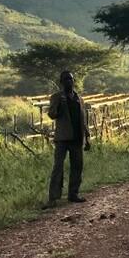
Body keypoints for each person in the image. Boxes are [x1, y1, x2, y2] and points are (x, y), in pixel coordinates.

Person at [44, 71, 91, 208]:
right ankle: (53, 198)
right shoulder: (57, 97)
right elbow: (52, 115)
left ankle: (73, 194)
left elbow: (83, 120)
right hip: (63, 138)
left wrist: (87, 137)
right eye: (65, 79)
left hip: (77, 138)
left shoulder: (79, 98)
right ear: (61, 82)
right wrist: (59, 104)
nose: (68, 82)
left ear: (74, 81)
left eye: (70, 79)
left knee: (77, 167)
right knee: (58, 167)